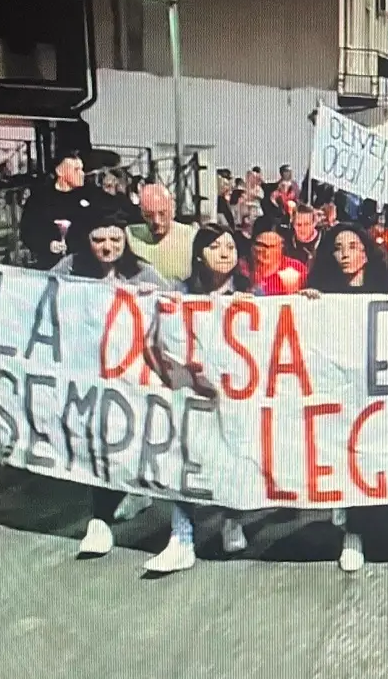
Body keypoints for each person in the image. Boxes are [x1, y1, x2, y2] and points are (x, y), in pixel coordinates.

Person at [45, 203, 171, 560]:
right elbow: (34, 292)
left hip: (132, 374)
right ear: (87, 241)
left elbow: (176, 302)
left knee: (129, 438)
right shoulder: (70, 268)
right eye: (99, 240)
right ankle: (98, 522)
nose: (107, 247)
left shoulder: (141, 272)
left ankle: (136, 489)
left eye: (115, 239)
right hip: (90, 374)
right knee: (99, 443)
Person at [147, 223, 259, 573]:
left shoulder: (250, 292)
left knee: (231, 455)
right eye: (215, 247)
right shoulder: (179, 292)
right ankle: (181, 537)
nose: (225, 253)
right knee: (185, 458)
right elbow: (156, 333)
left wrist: (254, 309)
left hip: (234, 394)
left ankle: (232, 520)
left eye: (230, 247)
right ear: (199, 255)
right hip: (191, 391)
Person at [301, 223, 388, 572]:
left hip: (372, 391)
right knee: (342, 455)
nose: (345, 255)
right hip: (337, 389)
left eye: (352, 247)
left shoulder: (384, 291)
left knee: (367, 458)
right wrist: (306, 304)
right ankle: (351, 533)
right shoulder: (321, 293)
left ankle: (362, 524)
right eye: (338, 248)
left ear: (366, 251)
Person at [19, 150, 94, 270]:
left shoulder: (90, 195)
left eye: (82, 169)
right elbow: (28, 230)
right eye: (76, 170)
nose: (82, 174)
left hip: (83, 265)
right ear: (60, 171)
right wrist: (47, 245)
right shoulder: (40, 198)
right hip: (47, 265)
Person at [125, 183, 199, 284]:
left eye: (162, 213)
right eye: (148, 215)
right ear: (141, 212)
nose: (156, 221)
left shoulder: (192, 236)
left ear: (172, 210)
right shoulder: (130, 235)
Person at [244, 215, 308, 295]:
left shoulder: (296, 268)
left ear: (282, 247)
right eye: (261, 245)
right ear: (252, 246)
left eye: (273, 246)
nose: (267, 252)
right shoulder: (242, 268)